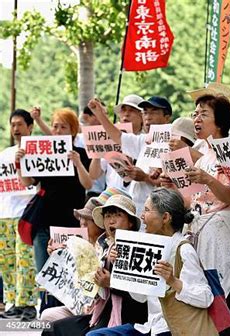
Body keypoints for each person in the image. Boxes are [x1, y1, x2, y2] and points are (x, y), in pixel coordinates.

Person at [162, 94, 230, 328]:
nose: (196, 118)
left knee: (221, 297)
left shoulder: (229, 151)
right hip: (199, 232)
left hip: (220, 236)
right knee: (203, 294)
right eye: (195, 113)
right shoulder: (202, 158)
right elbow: (191, 202)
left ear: (219, 121)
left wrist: (208, 179)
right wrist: (171, 184)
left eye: (203, 114)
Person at [87, 188, 215, 336]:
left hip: (174, 329)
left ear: (165, 217)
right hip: (151, 327)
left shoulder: (183, 249)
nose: (142, 216)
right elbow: (141, 298)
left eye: (147, 210)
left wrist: (173, 281)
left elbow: (205, 298)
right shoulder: (149, 247)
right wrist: (124, 266)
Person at [42, 194, 147, 336]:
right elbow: (82, 284)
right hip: (99, 314)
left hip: (127, 318)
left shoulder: (140, 248)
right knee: (52, 328)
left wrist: (112, 283)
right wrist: (59, 257)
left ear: (130, 223)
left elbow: (142, 299)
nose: (112, 220)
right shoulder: (103, 248)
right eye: (108, 216)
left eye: (117, 215)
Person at [15, 108, 93, 273]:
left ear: (73, 130)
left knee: (71, 274)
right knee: (44, 273)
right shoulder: (43, 153)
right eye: (55, 126)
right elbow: (28, 182)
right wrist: (20, 164)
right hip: (44, 223)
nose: (58, 131)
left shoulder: (80, 154)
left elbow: (88, 184)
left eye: (63, 127)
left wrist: (78, 164)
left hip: (72, 224)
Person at [88, 96, 173, 217]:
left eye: (154, 112)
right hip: (137, 210)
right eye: (145, 112)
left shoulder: (174, 144)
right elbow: (118, 137)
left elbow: (176, 184)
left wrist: (144, 177)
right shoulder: (144, 140)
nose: (148, 116)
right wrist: (100, 114)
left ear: (167, 117)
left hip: (159, 214)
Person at [0, 110, 38, 321]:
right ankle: (12, 301)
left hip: (27, 213)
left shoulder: (39, 152)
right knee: (6, 261)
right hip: (4, 213)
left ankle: (28, 303)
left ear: (30, 126)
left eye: (20, 124)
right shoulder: (4, 154)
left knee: (25, 259)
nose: (16, 129)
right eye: (13, 124)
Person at [89, 95, 144, 192]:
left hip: (135, 198)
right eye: (123, 110)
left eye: (132, 110)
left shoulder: (145, 140)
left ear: (142, 116)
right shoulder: (108, 138)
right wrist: (98, 149)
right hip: (110, 196)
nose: (126, 114)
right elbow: (94, 175)